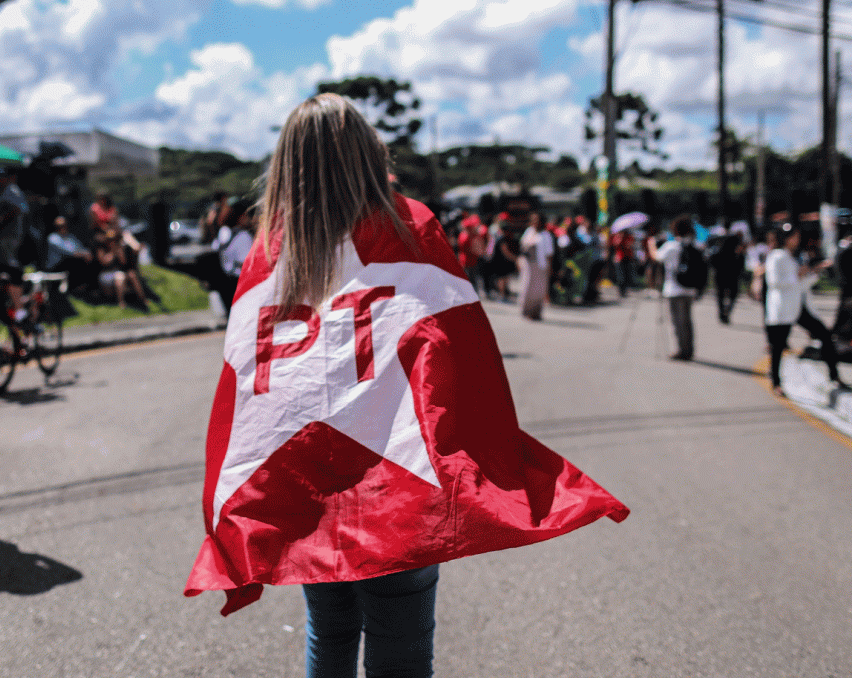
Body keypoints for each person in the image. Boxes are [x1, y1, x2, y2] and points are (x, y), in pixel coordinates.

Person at [184, 94, 629, 678]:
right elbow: (458, 349)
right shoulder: (409, 224)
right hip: (399, 483)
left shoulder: (271, 250)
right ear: (369, 154)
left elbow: (246, 383)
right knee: (403, 652)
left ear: (288, 163)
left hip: (307, 483)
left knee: (330, 633)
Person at [764, 224, 846, 396]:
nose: (797, 240)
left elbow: (799, 286)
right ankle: (776, 382)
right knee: (778, 346)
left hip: (797, 307)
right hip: (783, 309)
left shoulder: (791, 257)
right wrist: (798, 275)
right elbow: (774, 282)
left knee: (824, 334)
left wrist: (813, 273)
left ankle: (834, 375)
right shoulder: (777, 257)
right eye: (794, 236)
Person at [0, 167, 29, 323]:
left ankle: (18, 305)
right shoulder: (3, 190)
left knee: (11, 269)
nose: (1, 180)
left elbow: (19, 209)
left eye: (3, 177)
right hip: (6, 235)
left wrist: (2, 220)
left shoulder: (12, 190)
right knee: (3, 266)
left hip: (11, 235)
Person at [655, 215, 699, 361]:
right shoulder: (694, 245)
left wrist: (650, 244)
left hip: (673, 289)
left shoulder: (671, 246)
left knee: (675, 321)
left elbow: (657, 257)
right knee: (687, 321)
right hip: (690, 288)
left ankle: (679, 349)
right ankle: (689, 349)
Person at [518, 211, 554, 320]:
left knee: (539, 290)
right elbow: (522, 246)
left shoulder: (546, 235)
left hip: (540, 265)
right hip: (528, 265)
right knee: (527, 287)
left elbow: (549, 253)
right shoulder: (529, 231)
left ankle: (536, 312)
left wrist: (550, 268)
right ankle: (527, 311)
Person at [46, 216, 93, 291]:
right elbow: (67, 252)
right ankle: (76, 287)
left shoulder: (71, 237)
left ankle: (86, 287)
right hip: (55, 267)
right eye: (59, 226)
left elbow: (81, 248)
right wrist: (84, 254)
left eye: (64, 225)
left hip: (69, 264)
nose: (62, 228)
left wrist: (87, 253)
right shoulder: (52, 238)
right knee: (73, 260)